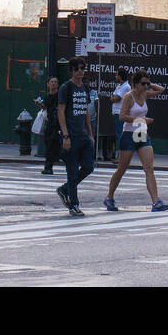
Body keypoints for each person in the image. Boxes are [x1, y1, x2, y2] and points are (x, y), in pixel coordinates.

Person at [103, 71, 168, 212]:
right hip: (129, 133)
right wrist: (141, 120)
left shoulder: (144, 94)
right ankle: (109, 197)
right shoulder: (129, 96)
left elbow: (161, 90)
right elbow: (122, 116)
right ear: (135, 84)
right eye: (143, 84)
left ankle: (156, 201)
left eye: (147, 83)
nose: (146, 86)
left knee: (149, 168)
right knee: (122, 168)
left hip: (141, 131)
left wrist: (149, 83)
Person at [56, 58, 95, 217]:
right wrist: (65, 135)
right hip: (71, 135)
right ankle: (74, 204)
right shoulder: (66, 88)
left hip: (83, 135)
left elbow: (85, 110)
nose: (81, 71)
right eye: (78, 68)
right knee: (72, 171)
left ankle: (65, 189)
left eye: (83, 68)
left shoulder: (84, 87)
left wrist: (90, 133)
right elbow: (61, 111)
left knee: (88, 167)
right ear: (71, 70)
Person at [38, 76, 63, 175]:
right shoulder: (47, 97)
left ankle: (48, 167)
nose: (53, 83)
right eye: (51, 82)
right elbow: (47, 108)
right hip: (49, 124)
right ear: (48, 84)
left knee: (52, 146)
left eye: (55, 82)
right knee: (50, 144)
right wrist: (40, 105)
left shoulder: (59, 96)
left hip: (58, 124)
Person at [104, 69, 128, 163]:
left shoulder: (126, 87)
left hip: (121, 113)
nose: (115, 76)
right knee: (119, 135)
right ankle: (120, 155)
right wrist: (113, 98)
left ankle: (121, 157)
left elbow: (116, 98)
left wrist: (113, 98)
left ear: (120, 76)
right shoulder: (119, 86)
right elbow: (112, 97)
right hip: (116, 113)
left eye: (116, 75)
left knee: (121, 135)